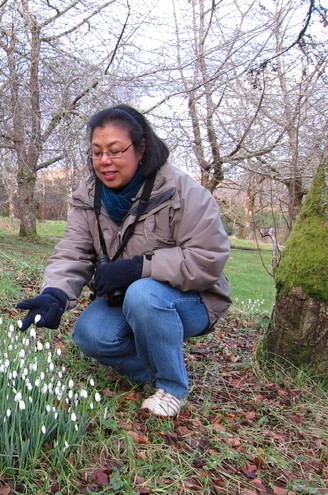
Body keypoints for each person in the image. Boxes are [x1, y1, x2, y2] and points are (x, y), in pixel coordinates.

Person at [17, 105, 231, 417]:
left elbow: (207, 260)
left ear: (141, 148)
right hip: (127, 298)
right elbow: (73, 251)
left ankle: (172, 387)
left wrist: (138, 267)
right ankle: (155, 367)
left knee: (144, 294)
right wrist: (56, 293)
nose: (105, 161)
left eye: (116, 151)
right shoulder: (89, 196)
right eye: (97, 152)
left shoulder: (182, 192)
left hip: (192, 298)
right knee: (90, 334)